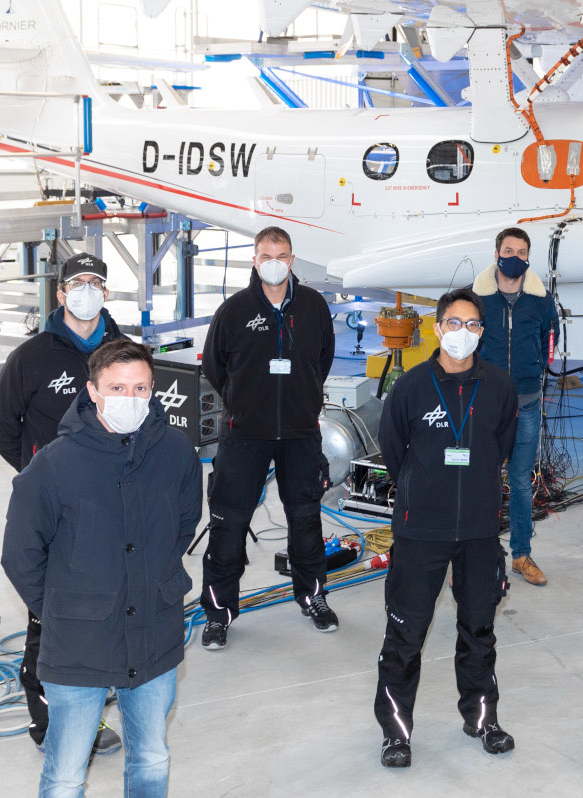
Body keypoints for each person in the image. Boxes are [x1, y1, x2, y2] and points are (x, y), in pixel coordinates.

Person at [1, 337, 204, 798]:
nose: (130, 399)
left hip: (155, 632)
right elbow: (20, 556)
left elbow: (182, 524)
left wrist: (155, 586)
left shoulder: (173, 452)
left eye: (141, 389)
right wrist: (70, 608)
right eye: (118, 389)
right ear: (92, 392)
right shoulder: (53, 466)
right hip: (79, 642)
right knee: (65, 776)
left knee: (152, 758)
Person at [0, 251, 124, 756]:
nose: (87, 290)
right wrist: (38, 475)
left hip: (112, 504)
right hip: (56, 511)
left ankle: (91, 708)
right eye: (77, 282)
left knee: (106, 609)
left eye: (96, 282)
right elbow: (0, 426)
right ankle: (51, 723)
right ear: (61, 293)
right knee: (52, 616)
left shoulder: (124, 352)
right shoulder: (31, 358)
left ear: (105, 293)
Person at [372, 287, 519, 769]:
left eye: (472, 325)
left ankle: (482, 718)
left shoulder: (499, 386)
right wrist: (425, 489)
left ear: (482, 332)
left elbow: (501, 446)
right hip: (421, 531)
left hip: (478, 531)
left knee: (479, 628)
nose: (463, 333)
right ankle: (395, 731)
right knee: (405, 633)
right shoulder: (410, 387)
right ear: (437, 329)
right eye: (454, 324)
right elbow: (394, 453)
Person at [197, 226, 339, 650]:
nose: (274, 261)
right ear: (255, 260)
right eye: (266, 254)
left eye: (282, 254)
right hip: (245, 435)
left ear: (292, 260)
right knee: (228, 523)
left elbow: (323, 360)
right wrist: (245, 404)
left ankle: (313, 597)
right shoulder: (235, 310)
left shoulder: (314, 307)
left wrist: (301, 400)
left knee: (306, 520)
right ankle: (219, 613)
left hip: (299, 434)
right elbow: (215, 368)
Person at [472, 227, 559, 587]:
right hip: (487, 403)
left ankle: (521, 555)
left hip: (526, 403)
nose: (515, 256)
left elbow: (548, 342)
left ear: (528, 257)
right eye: (509, 250)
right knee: (481, 480)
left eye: (522, 251)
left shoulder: (541, 300)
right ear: (496, 254)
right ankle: (476, 555)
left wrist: (535, 372)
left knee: (521, 481)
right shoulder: (477, 298)